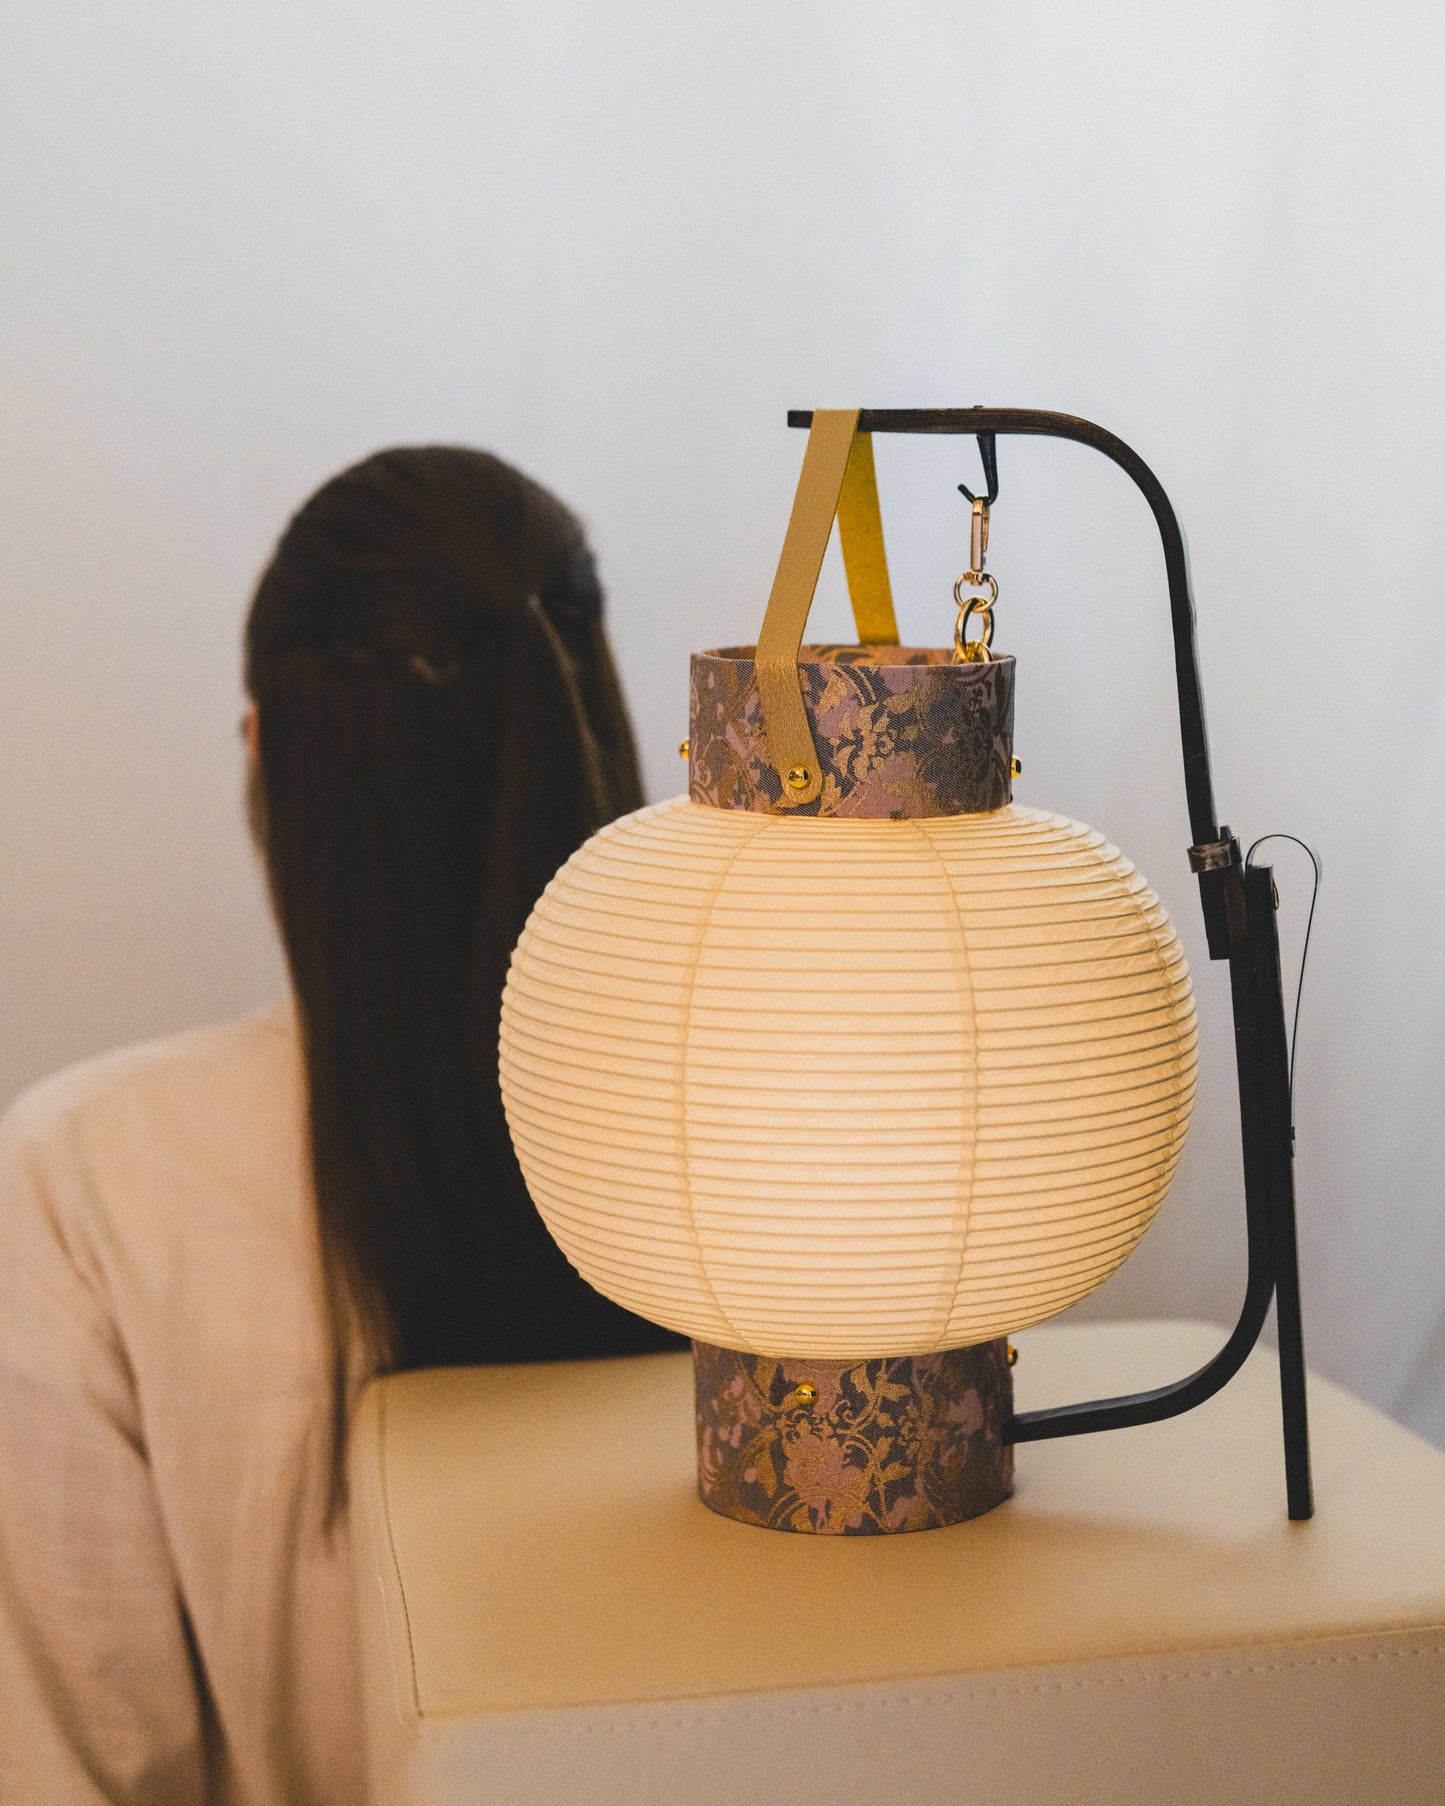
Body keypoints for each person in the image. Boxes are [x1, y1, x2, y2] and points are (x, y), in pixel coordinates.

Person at [0, 447, 685, 1805]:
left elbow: (75, 1759)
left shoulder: (92, 1173)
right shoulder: (816, 1137)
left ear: (265, 749)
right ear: (590, 731)